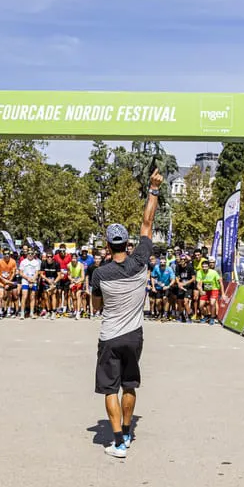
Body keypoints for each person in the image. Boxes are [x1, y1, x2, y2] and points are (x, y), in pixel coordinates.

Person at [91, 166, 163, 459]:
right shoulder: (140, 261)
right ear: (127, 244)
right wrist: (153, 189)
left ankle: (118, 440)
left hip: (110, 336)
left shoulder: (100, 273)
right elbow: (147, 221)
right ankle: (128, 432)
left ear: (108, 246)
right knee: (129, 384)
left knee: (110, 389)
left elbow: (96, 308)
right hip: (134, 335)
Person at [196, 258, 224, 325]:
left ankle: (212, 317)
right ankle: (206, 316)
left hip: (214, 289)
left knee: (212, 303)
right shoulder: (199, 272)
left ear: (208, 267)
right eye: (203, 267)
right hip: (206, 289)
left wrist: (223, 293)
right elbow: (198, 284)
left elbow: (220, 282)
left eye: (206, 267)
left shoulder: (213, 272)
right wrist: (201, 290)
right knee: (201, 305)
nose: (204, 268)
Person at [150, 255, 175, 321]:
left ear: (166, 263)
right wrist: (153, 287)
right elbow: (152, 277)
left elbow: (173, 279)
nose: (162, 264)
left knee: (165, 299)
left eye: (164, 262)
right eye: (161, 262)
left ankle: (165, 315)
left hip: (166, 287)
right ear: (159, 263)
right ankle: (160, 313)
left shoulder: (169, 269)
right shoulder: (156, 267)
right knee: (158, 302)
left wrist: (168, 286)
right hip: (158, 287)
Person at [19, 247, 41, 319]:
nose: (30, 255)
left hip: (33, 280)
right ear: (27, 254)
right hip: (25, 281)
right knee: (24, 296)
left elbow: (37, 273)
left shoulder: (36, 262)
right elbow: (21, 273)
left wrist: (32, 280)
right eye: (29, 253)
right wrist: (28, 279)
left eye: (32, 253)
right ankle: (22, 313)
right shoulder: (23, 262)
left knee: (32, 297)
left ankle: (31, 313)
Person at [68, 252, 86, 319]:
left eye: (75, 258)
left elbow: (83, 277)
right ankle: (75, 310)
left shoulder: (81, 265)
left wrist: (76, 282)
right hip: (73, 281)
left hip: (79, 281)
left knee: (78, 295)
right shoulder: (68, 265)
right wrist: (72, 280)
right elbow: (69, 275)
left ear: (77, 258)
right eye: (72, 258)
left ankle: (78, 312)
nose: (74, 259)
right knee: (73, 296)